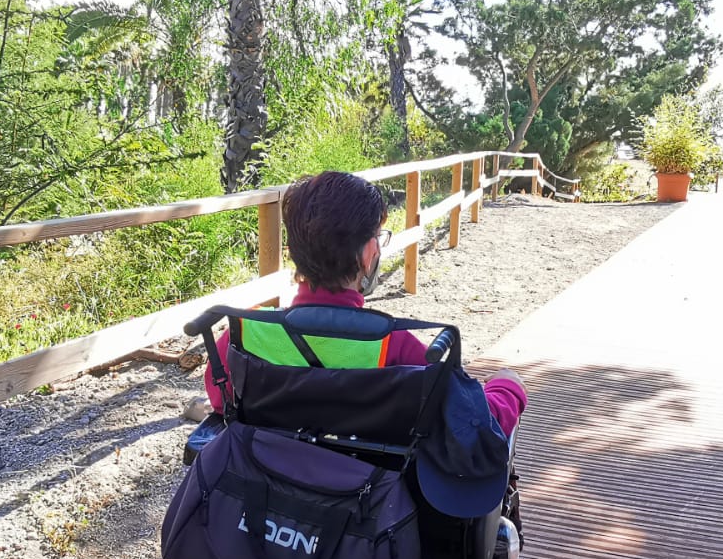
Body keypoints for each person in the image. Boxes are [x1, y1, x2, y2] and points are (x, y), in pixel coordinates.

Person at [204, 170, 526, 436]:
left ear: (294, 251)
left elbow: (222, 401)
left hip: (267, 484)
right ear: (369, 253)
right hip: (363, 491)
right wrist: (507, 388)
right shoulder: (393, 346)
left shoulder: (243, 332)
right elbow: (476, 424)